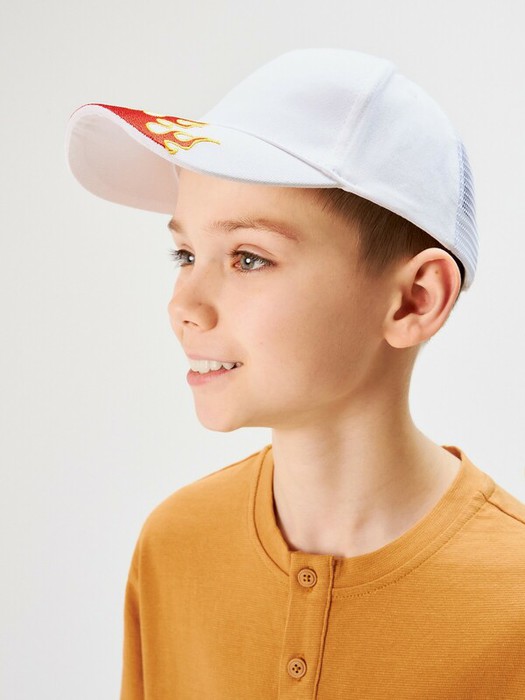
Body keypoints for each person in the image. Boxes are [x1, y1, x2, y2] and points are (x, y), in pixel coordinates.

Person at [66, 48, 525, 699]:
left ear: (414, 300)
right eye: (185, 253)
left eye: (248, 258)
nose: (183, 305)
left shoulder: (513, 599)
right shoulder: (175, 546)